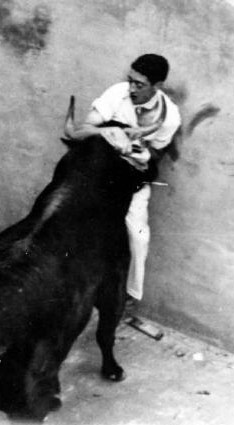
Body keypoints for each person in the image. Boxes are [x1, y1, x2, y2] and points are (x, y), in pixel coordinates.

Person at [68, 53, 181, 304]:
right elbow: (83, 130)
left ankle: (128, 297)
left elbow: (153, 158)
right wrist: (108, 133)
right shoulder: (117, 93)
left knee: (138, 235)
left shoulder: (170, 116)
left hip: (131, 178)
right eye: (130, 80)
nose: (131, 88)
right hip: (96, 169)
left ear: (158, 86)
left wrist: (137, 152)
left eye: (139, 85)